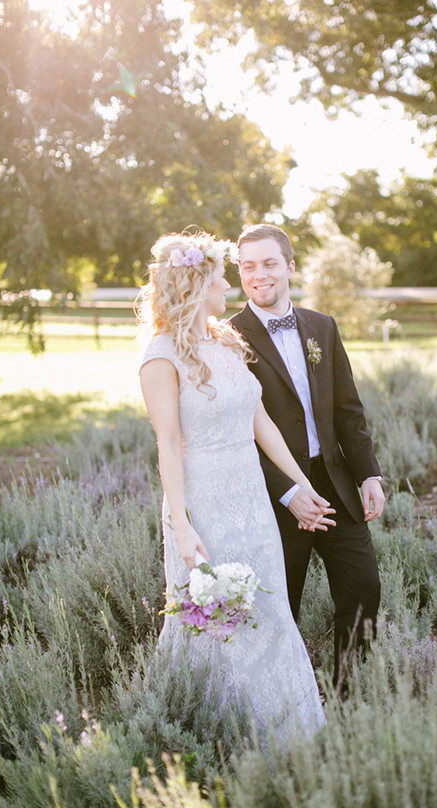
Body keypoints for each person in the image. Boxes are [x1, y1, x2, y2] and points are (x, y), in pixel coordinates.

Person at [137, 230, 326, 739]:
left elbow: (260, 420)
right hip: (202, 506)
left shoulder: (225, 339)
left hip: (252, 504)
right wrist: (182, 527)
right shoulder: (161, 356)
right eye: (223, 274)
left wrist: (299, 482)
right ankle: (205, 733)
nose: (230, 284)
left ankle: (287, 732)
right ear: (198, 283)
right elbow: (169, 445)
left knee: (267, 611)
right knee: (214, 623)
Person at [231, 224, 385, 690]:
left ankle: (347, 692)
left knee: (363, 588)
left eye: (270, 263)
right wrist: (290, 491)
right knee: (280, 605)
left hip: (334, 483)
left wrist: (369, 475)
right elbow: (235, 435)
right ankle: (285, 703)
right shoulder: (227, 338)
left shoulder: (322, 327)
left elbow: (348, 410)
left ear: (291, 267)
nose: (259, 274)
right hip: (274, 495)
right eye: (248, 266)